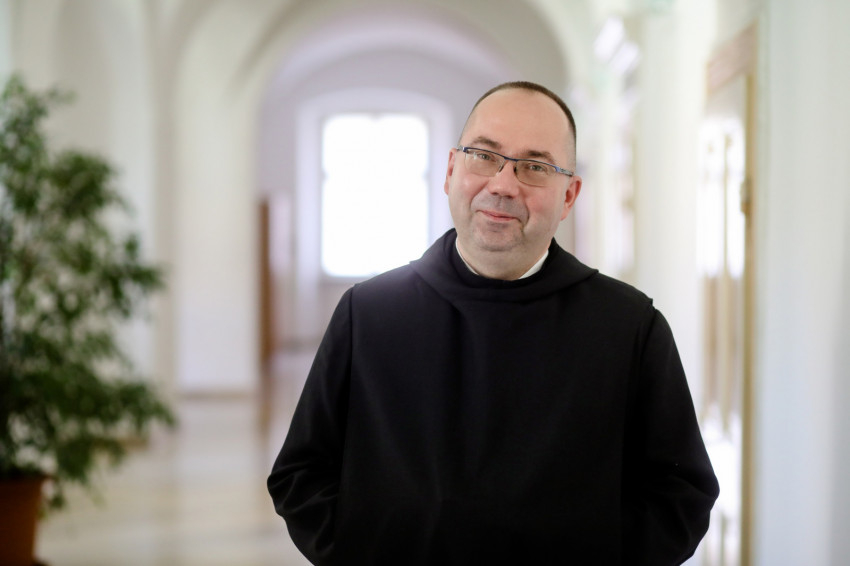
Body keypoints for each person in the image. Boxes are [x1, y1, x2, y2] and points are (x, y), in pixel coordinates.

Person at [268, 81, 719, 565]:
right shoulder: (368, 313)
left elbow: (680, 495)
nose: (503, 185)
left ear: (569, 196)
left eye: (535, 167)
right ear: (450, 171)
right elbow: (301, 475)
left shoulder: (629, 327)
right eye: (484, 156)